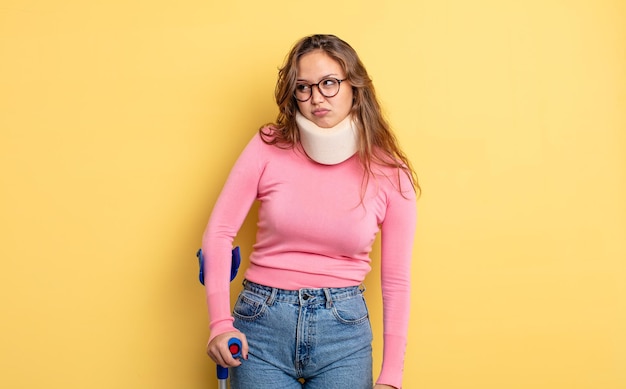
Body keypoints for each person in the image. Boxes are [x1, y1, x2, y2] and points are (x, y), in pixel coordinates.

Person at [202, 34, 419, 389]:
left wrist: (391, 376)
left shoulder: (391, 173)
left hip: (343, 332)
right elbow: (219, 233)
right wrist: (219, 323)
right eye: (303, 87)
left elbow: (396, 281)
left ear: (355, 87)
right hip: (261, 323)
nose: (316, 97)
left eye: (329, 83)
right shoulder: (268, 145)